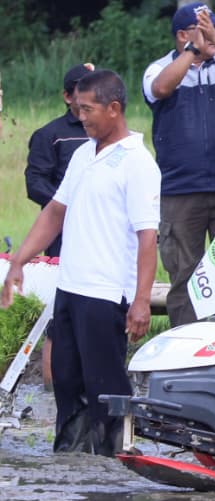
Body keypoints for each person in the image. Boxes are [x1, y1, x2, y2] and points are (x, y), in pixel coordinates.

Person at [2, 69, 160, 455]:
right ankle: (70, 458)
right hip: (70, 288)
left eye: (87, 109)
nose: (81, 117)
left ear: (114, 108)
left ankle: (114, 460)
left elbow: (147, 237)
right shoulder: (83, 154)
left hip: (106, 292)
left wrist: (141, 301)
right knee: (67, 381)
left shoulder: (138, 163)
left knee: (105, 386)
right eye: (77, 108)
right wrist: (19, 261)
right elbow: (55, 211)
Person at [143, 1, 215, 327]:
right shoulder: (159, 68)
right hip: (179, 191)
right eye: (204, 28)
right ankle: (186, 351)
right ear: (183, 35)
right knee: (184, 274)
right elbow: (161, 88)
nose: (213, 34)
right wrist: (193, 52)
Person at [24, 63, 93, 258]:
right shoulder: (49, 135)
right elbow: (35, 182)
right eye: (84, 90)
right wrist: (68, 206)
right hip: (64, 230)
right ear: (68, 96)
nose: (91, 95)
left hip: (105, 227)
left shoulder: (111, 133)